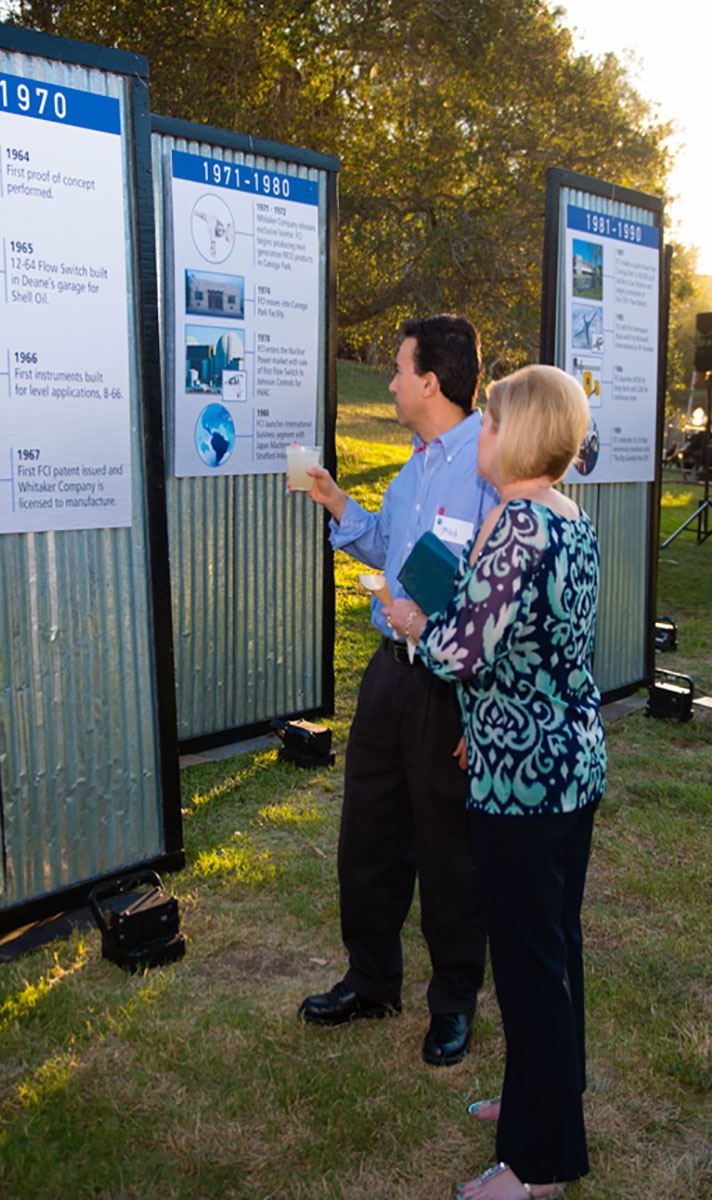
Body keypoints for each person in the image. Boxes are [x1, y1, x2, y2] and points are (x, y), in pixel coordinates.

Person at [384, 364, 605, 1199]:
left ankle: (539, 1163)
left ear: (516, 434)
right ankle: (550, 1092)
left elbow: (457, 652)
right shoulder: (567, 515)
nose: (477, 434)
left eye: (486, 424)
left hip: (526, 784)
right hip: (569, 761)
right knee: (556, 949)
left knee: (526, 960)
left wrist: (413, 623)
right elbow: (540, 649)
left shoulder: (515, 525)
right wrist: (484, 726)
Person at [296, 314, 497, 1067]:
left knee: (448, 850)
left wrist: (476, 704)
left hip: (450, 683)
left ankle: (453, 1004)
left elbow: (491, 591)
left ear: (431, 382)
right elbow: (392, 545)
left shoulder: (487, 461)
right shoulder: (417, 466)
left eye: (399, 369)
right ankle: (372, 980)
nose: (389, 381)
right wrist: (338, 503)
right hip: (390, 673)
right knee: (370, 832)